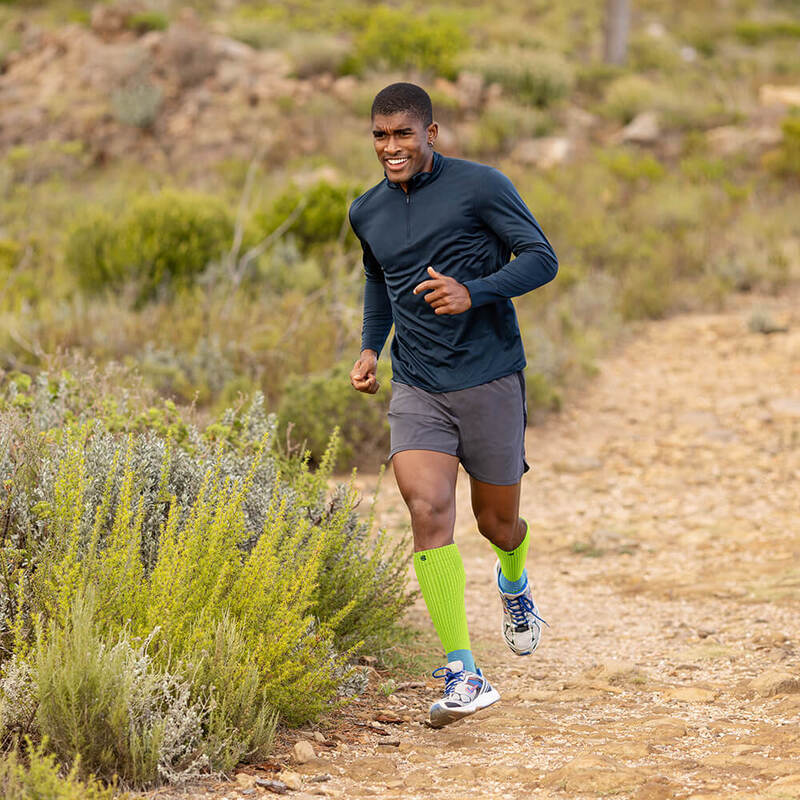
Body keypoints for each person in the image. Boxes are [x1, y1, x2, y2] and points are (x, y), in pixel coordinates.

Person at [348, 82, 558, 728]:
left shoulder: (481, 186)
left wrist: (475, 291)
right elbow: (379, 280)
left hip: (490, 377)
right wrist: (370, 347)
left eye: (403, 134)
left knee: (498, 525)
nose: (391, 147)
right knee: (427, 508)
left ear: (431, 134)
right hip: (418, 385)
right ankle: (464, 670)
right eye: (380, 135)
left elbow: (542, 259)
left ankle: (514, 582)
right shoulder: (367, 211)